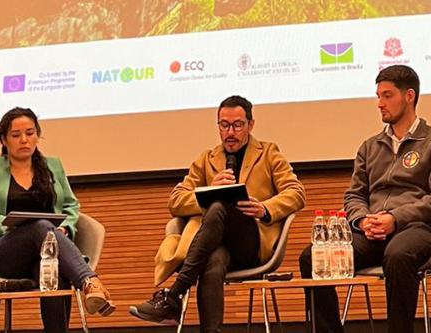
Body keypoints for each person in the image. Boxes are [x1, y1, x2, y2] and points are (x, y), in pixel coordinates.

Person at [298, 65, 431, 333]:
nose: (379, 104)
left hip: (416, 229)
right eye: (378, 96)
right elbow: (354, 194)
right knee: (313, 256)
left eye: (387, 96)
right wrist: (362, 220)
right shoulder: (369, 146)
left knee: (397, 255)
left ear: (409, 96)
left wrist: (395, 219)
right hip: (371, 231)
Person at [130, 95, 306, 333]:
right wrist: (209, 191)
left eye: (237, 125)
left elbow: (296, 192)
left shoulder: (268, 153)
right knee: (213, 261)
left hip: (251, 243)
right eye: (224, 125)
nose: (230, 132)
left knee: (220, 206)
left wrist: (265, 208)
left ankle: (176, 293)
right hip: (214, 244)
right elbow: (175, 201)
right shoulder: (207, 159)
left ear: (250, 125)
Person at [0, 107, 115, 333]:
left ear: (38, 134)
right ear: (4, 140)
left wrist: (65, 227)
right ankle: (89, 281)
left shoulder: (53, 166)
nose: (24, 140)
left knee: (54, 268)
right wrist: (8, 224)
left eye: (30, 132)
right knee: (41, 226)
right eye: (16, 135)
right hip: (7, 251)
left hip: (48, 249)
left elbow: (71, 206)